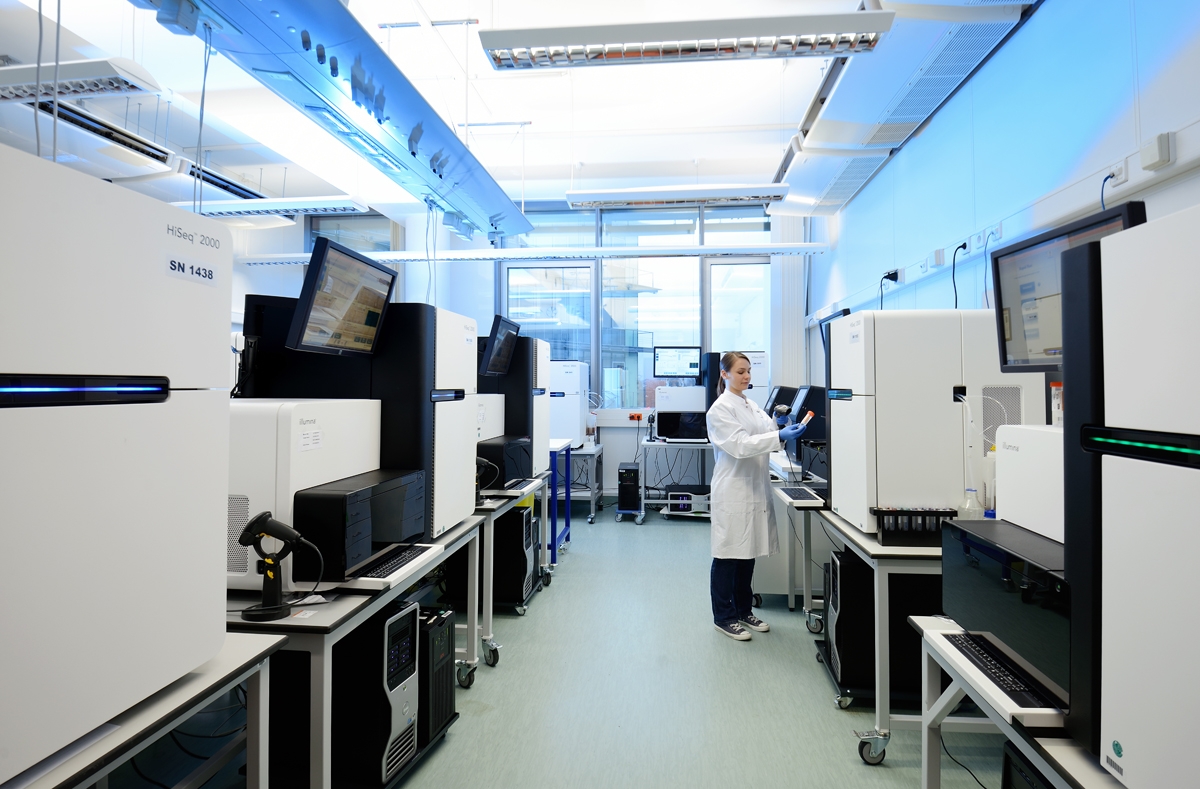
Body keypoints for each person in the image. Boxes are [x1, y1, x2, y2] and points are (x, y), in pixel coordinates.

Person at [705, 352, 806, 640]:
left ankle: (743, 610)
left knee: (747, 553)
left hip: (753, 487)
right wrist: (779, 437)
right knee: (727, 554)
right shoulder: (720, 409)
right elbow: (739, 445)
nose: (747, 376)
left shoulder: (750, 404)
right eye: (740, 372)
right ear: (725, 374)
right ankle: (723, 617)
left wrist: (778, 423)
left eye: (748, 371)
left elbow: (765, 432)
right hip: (734, 488)